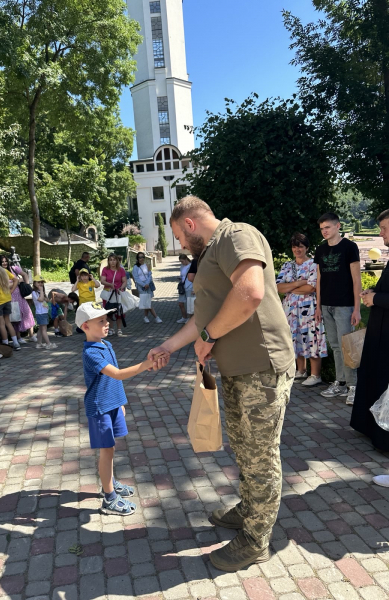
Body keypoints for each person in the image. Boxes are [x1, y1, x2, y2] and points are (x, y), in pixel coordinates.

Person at [148, 196, 294, 572]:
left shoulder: (236, 235)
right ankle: (250, 509)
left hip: (262, 366)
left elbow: (250, 293)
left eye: (179, 236)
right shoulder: (212, 252)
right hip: (238, 370)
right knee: (246, 450)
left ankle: (255, 541)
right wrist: (167, 346)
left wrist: (211, 335)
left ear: (190, 224)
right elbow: (203, 319)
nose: (180, 244)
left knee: (261, 457)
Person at [76, 300, 156, 515]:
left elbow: (115, 381)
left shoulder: (106, 345)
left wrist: (120, 401)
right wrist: (147, 364)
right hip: (100, 407)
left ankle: (109, 482)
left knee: (111, 449)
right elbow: (118, 374)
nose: (107, 323)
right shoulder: (91, 353)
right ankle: (109, 498)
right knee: (107, 451)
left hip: (112, 404)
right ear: (85, 326)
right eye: (100, 321)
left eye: (106, 319)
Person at [350, 209, 389, 450]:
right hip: (380, 331)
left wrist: (376, 299)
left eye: (385, 228)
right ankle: (370, 427)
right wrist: (372, 291)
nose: (381, 233)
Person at [314, 213, 361, 404]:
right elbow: (319, 279)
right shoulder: (321, 250)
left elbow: (357, 279)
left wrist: (357, 309)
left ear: (337, 226)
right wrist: (318, 306)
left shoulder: (350, 247)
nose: (324, 231)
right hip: (327, 305)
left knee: (347, 346)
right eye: (322, 229)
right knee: (335, 346)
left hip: (345, 305)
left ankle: (353, 386)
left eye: (327, 227)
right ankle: (340, 382)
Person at [276, 233, 327, 386]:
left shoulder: (313, 264)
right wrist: (299, 283)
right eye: (294, 246)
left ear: (306, 248)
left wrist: (290, 287)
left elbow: (311, 288)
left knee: (311, 337)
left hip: (309, 307)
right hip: (290, 308)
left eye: (300, 246)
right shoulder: (287, 265)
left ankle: (315, 374)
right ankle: (301, 370)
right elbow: (278, 287)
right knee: (294, 336)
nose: (297, 249)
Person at [0, 255, 36, 343]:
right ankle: (19, 337)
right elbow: (4, 286)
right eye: (2, 262)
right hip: (10, 297)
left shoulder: (14, 268)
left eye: (6, 261)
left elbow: (25, 274)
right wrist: (17, 281)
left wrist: (26, 284)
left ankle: (31, 335)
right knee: (15, 317)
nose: (5, 263)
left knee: (27, 313)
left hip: (20, 296)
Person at [100, 254, 127, 336]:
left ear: (117, 261)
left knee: (119, 311)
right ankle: (111, 328)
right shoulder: (105, 269)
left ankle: (119, 329)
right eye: (111, 260)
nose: (112, 262)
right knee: (108, 311)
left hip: (118, 293)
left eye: (114, 260)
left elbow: (124, 281)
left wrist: (121, 288)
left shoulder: (121, 270)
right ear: (108, 261)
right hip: (108, 294)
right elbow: (102, 281)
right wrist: (110, 284)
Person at [132, 253, 162, 324]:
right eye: (139, 257)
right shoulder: (135, 267)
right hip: (141, 287)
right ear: (137, 258)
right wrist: (143, 284)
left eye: (142, 257)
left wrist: (147, 283)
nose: (141, 259)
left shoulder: (147, 265)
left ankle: (145, 317)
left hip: (148, 285)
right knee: (148, 302)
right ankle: (156, 317)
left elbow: (149, 275)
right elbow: (136, 278)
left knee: (147, 302)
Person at [31, 276, 57, 350]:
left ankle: (39, 343)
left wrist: (43, 295)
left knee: (40, 329)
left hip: (43, 312)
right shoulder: (34, 292)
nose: (40, 284)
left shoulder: (40, 291)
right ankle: (48, 344)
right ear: (34, 283)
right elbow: (41, 299)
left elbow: (46, 300)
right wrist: (42, 291)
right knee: (44, 329)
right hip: (40, 313)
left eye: (41, 282)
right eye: (38, 282)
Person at [177, 254, 193, 323]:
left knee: (190, 303)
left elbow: (194, 277)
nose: (182, 263)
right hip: (183, 286)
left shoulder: (191, 266)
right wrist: (180, 278)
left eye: (182, 261)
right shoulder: (182, 266)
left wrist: (194, 288)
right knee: (180, 303)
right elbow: (183, 275)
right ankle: (184, 317)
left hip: (190, 286)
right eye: (180, 262)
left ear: (186, 259)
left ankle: (190, 319)